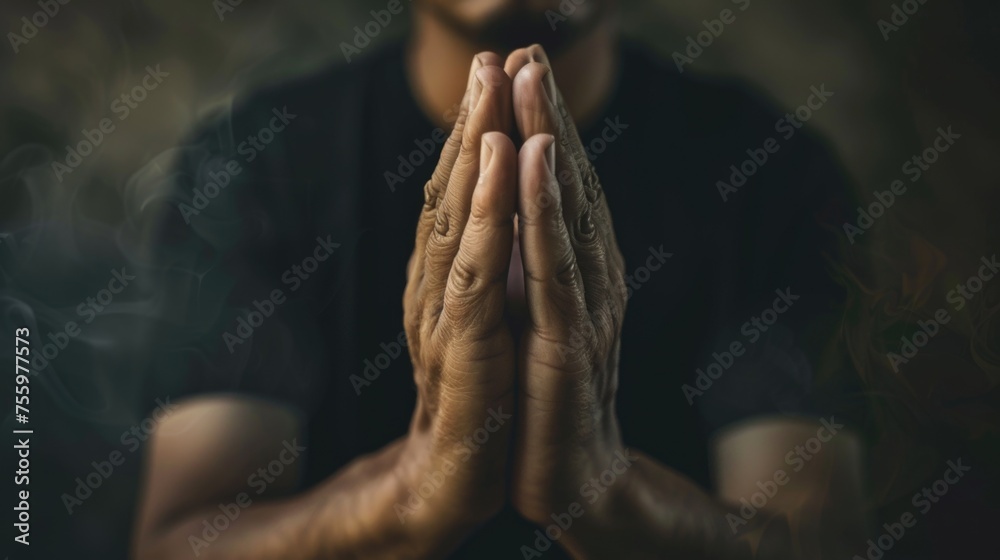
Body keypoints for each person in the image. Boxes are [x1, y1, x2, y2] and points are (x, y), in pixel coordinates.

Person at [132, 1, 866, 558]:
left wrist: (606, 495)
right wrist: (411, 493)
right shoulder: (256, 166)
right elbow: (181, 540)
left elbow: (819, 537)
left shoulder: (773, 174)